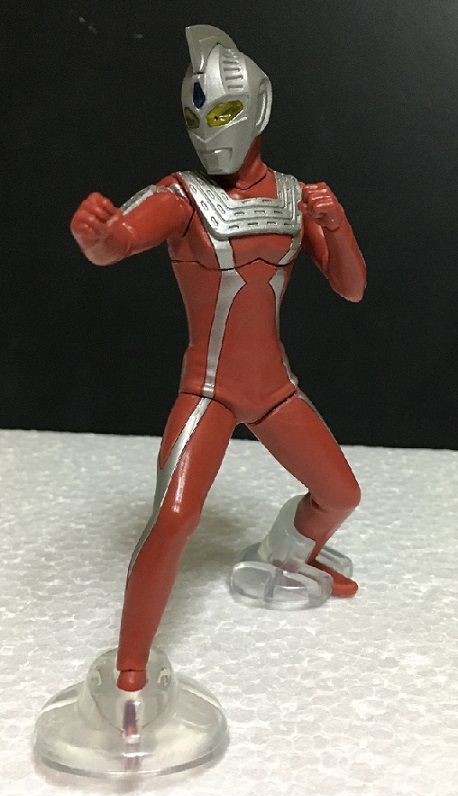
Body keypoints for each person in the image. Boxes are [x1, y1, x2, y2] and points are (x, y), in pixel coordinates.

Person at [71, 25, 366, 692]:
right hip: (207, 391)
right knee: (174, 518)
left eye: (225, 110)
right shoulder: (182, 195)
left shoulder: (293, 197)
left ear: (260, 108)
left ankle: (287, 555)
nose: (209, 130)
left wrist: (336, 222)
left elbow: (351, 288)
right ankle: (130, 667)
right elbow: (120, 240)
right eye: (194, 116)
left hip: (275, 389)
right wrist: (98, 237)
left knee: (339, 495)